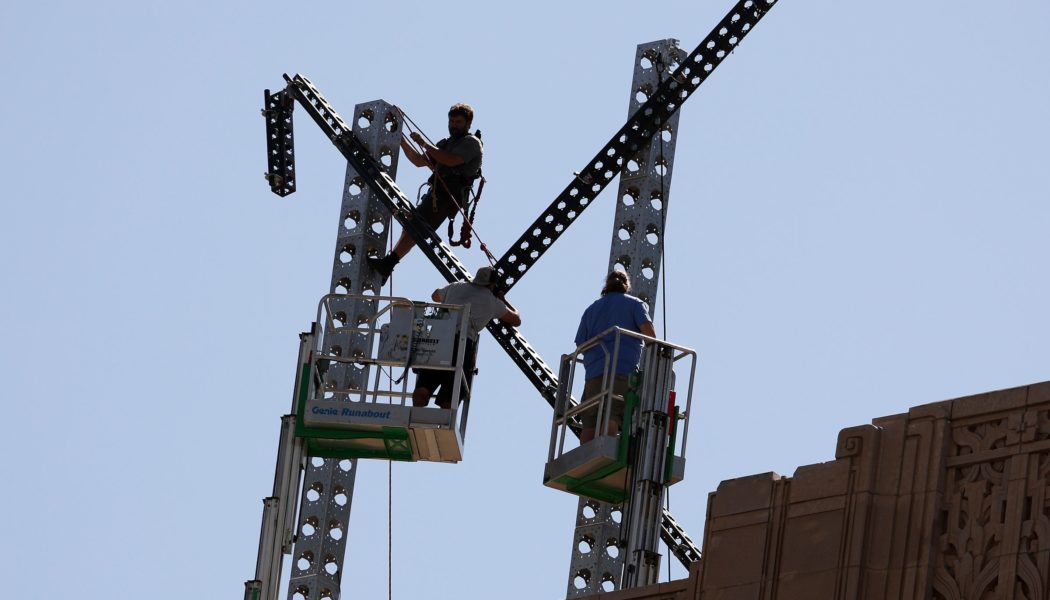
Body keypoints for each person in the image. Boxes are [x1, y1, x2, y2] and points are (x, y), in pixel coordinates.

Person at [368, 103, 483, 284]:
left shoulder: (471, 143)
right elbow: (419, 160)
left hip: (448, 195)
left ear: (468, 123)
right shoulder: (446, 143)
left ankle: (389, 263)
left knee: (417, 228)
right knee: (411, 225)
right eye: (451, 121)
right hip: (437, 192)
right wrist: (401, 137)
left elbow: (451, 161)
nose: (453, 125)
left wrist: (424, 143)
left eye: (458, 122)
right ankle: (388, 264)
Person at [413, 266, 520, 409]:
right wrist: (503, 300)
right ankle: (443, 424)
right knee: (450, 394)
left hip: (439, 340)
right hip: (462, 344)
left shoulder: (457, 286)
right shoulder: (492, 302)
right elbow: (516, 320)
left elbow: (435, 296)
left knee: (424, 387)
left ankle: (414, 415)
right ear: (493, 284)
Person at [574, 271, 656, 443]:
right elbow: (649, 334)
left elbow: (580, 345)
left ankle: (588, 458)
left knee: (591, 420)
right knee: (613, 412)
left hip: (594, 374)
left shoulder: (591, 309)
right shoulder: (635, 304)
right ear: (626, 285)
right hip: (621, 371)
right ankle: (605, 450)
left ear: (606, 285)